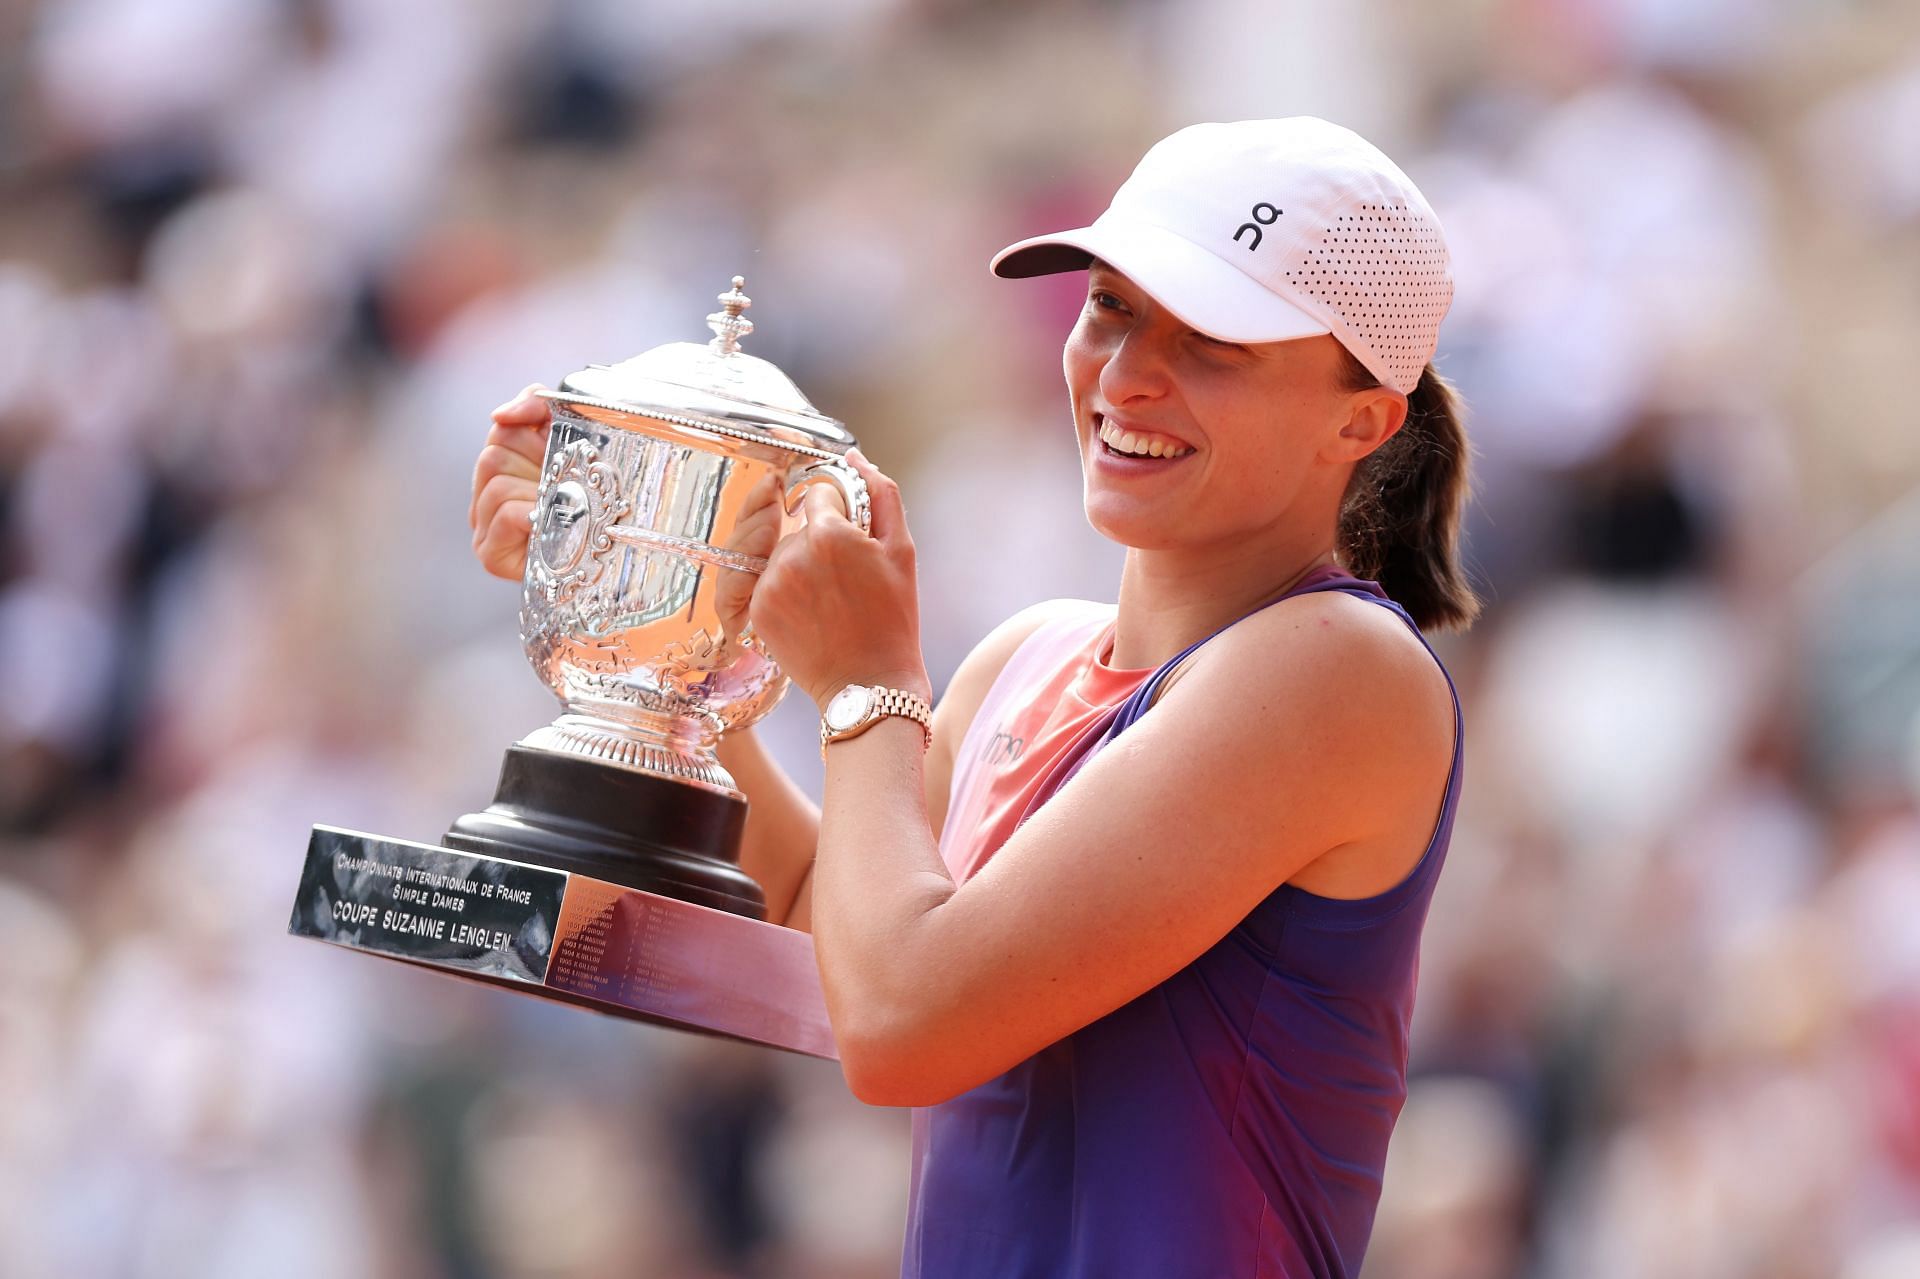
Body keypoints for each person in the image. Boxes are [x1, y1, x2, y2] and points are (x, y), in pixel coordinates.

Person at [469, 117, 1477, 1279]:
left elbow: (903, 1024)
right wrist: (642, 618)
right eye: (1112, 307)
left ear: (1362, 420)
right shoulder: (1027, 659)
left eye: (1212, 342)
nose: (1129, 373)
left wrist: (869, 687)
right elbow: (818, 937)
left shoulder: (1342, 667)